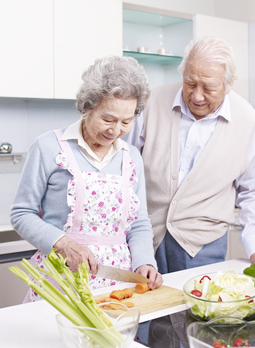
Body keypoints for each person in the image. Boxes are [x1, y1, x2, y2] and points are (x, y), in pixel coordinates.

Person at [127, 37, 255, 274]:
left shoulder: (247, 119)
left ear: (229, 83)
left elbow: (253, 190)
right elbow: (125, 168)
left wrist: (254, 247)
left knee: (199, 310)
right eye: (190, 83)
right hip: (144, 240)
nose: (197, 96)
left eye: (209, 88)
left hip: (203, 247)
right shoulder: (152, 102)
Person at [11, 55, 163, 302]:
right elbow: (21, 214)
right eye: (108, 119)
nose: (115, 131)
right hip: (61, 279)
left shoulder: (131, 156)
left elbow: (138, 223)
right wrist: (62, 243)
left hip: (118, 284)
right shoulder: (48, 147)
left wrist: (145, 261)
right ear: (88, 106)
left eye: (127, 122)